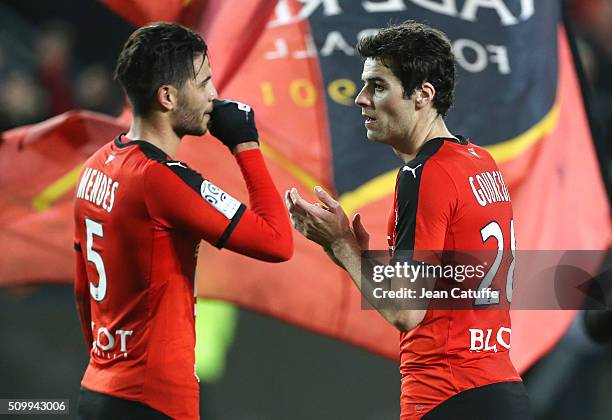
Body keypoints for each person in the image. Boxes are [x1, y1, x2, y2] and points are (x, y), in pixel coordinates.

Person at [286, 21, 532, 419]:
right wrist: (356, 250)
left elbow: (405, 310)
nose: (361, 99)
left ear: (423, 94)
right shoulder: (480, 162)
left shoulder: (424, 174)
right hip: (498, 387)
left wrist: (341, 245)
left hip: (447, 393)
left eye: (378, 86)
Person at [73, 22, 293, 420]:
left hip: (98, 388)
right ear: (168, 97)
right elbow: (278, 242)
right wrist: (245, 145)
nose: (214, 95)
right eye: (205, 82)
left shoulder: (95, 167)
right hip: (153, 401)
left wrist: (108, 365)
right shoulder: (162, 179)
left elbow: (81, 291)